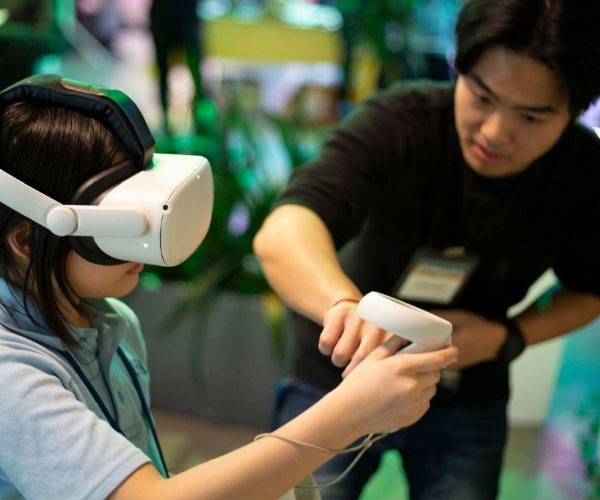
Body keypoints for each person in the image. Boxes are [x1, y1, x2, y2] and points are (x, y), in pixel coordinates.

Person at [0, 76, 457, 500]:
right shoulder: (11, 377)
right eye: (123, 222)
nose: (148, 241)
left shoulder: (111, 322)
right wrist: (350, 415)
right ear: (26, 238)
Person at [253, 0, 600, 499]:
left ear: (572, 113)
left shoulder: (582, 175)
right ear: (459, 67)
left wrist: (508, 336)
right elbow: (285, 230)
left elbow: (590, 290)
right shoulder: (400, 121)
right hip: (336, 376)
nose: (496, 133)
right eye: (482, 97)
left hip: (467, 394)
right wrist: (344, 308)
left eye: (531, 117)